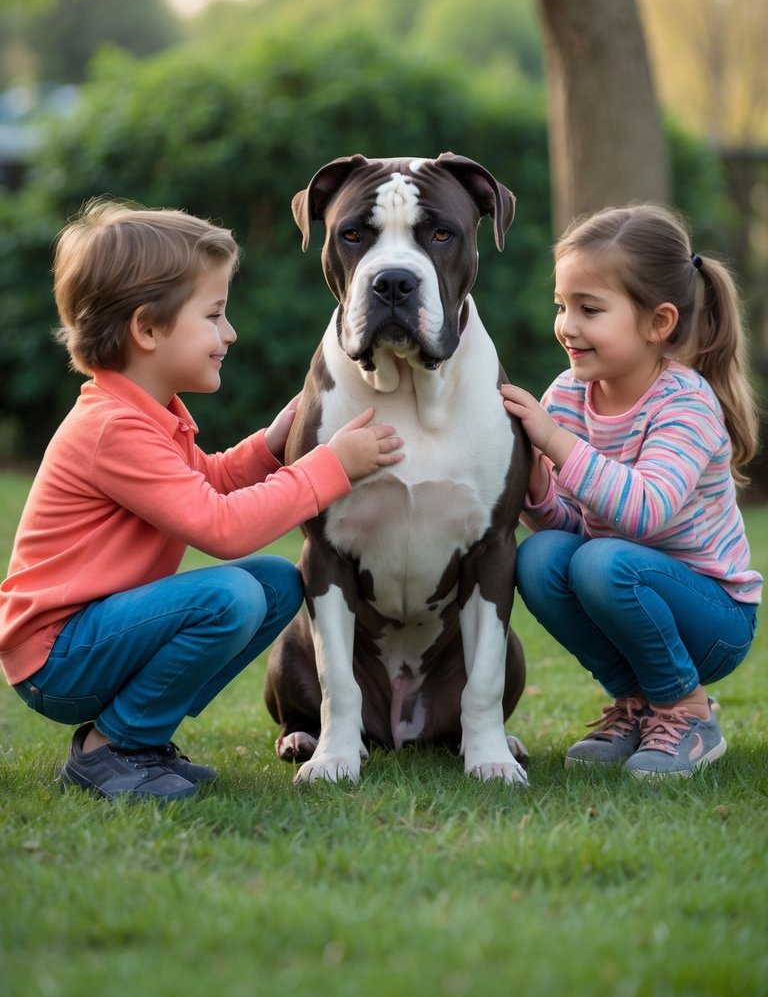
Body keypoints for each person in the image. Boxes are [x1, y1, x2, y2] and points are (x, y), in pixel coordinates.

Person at [0, 199, 404, 802]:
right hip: (58, 652)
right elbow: (220, 527)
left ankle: (142, 739)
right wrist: (329, 468)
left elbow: (207, 483)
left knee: (274, 584)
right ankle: (110, 749)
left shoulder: (151, 414)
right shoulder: (114, 428)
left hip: (100, 635)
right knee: (232, 594)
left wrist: (273, 444)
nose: (229, 333)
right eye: (214, 315)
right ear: (148, 329)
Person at [501, 203, 762, 779]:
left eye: (590, 309)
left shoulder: (685, 404)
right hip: (623, 581)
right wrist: (539, 490)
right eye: (562, 306)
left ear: (658, 323)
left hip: (714, 619)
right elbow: (575, 526)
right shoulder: (568, 394)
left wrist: (558, 446)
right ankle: (639, 705)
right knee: (542, 558)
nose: (567, 325)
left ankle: (688, 712)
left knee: (602, 562)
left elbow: (643, 512)